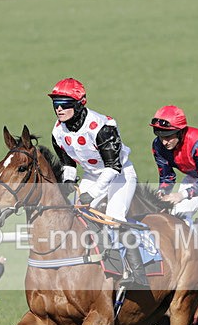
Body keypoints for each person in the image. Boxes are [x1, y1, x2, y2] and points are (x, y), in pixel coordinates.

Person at [48, 77, 147, 288]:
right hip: (93, 175)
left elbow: (113, 167)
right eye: (55, 104)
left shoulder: (102, 127)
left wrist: (91, 195)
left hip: (120, 175)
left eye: (64, 104)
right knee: (77, 215)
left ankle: (139, 276)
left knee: (114, 218)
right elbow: (68, 163)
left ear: (79, 103)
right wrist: (66, 184)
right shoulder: (58, 131)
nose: (59, 109)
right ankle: (93, 261)